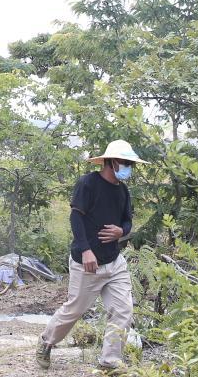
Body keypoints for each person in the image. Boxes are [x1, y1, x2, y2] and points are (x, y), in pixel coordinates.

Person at [37, 140, 147, 373]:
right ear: (111, 162)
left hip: (114, 261)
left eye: (131, 164)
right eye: (125, 162)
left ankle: (110, 361)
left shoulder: (123, 191)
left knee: (123, 310)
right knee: (75, 310)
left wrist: (122, 231)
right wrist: (86, 250)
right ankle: (46, 341)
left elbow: (127, 221)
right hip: (87, 262)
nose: (128, 167)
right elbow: (76, 217)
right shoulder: (88, 183)